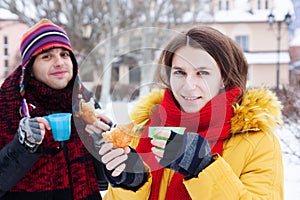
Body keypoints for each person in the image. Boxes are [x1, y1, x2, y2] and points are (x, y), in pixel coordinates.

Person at [99, 26, 284, 199]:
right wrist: (131, 184)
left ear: (224, 79)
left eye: (202, 73)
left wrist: (203, 167)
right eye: (179, 72)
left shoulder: (257, 141)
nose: (188, 85)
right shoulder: (144, 132)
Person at [0, 19, 111, 199]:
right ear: (30, 67)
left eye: (64, 54)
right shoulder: (7, 104)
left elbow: (108, 180)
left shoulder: (83, 101)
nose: (59, 62)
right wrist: (22, 145)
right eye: (47, 56)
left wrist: (103, 143)